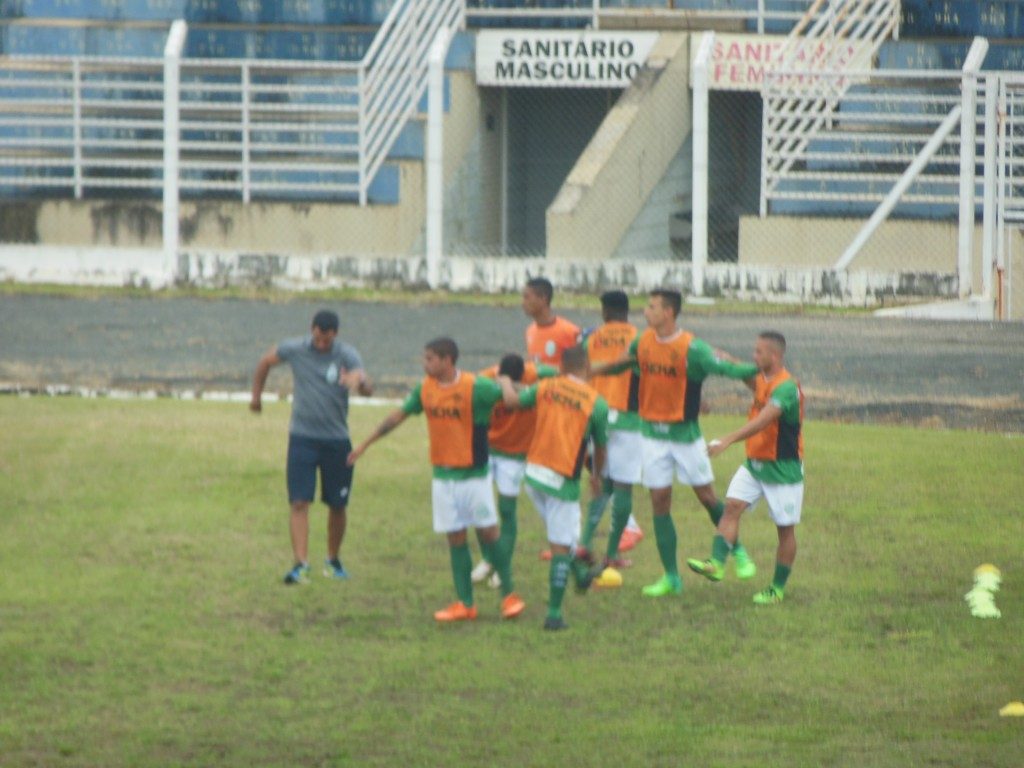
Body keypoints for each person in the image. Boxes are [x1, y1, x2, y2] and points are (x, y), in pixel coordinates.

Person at [592, 289, 759, 598]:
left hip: (685, 438)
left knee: (707, 497)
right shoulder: (642, 341)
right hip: (652, 438)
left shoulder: (691, 348)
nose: (646, 312)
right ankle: (671, 577)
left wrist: (763, 370)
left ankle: (738, 552)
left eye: (652, 307)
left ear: (669, 312)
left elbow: (726, 369)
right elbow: (623, 363)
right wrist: (589, 371)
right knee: (659, 502)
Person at [348, 337, 525, 623]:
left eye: (429, 358)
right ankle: (465, 603)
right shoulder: (425, 389)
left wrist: (508, 383)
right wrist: (364, 445)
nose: (424, 363)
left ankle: (510, 595)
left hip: (474, 478)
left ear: (447, 360)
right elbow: (397, 417)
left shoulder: (474, 387)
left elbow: (515, 396)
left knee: (489, 535)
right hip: (443, 478)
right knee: (455, 538)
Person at [250, 309, 373, 585]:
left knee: (337, 505)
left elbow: (366, 385)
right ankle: (301, 564)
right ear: (311, 330)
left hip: (337, 440)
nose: (320, 345)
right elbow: (265, 361)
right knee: (299, 502)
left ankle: (333, 560)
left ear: (335, 335)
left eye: (326, 341)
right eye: (317, 338)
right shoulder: (296, 348)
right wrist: (256, 397)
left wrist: (361, 383)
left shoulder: (347, 354)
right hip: (302, 438)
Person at [688, 331, 804, 605]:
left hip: (782, 471)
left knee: (785, 531)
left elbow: (764, 421)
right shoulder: (764, 379)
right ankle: (716, 563)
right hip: (755, 464)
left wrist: (727, 440)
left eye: (759, 352)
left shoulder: (787, 388)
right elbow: (749, 379)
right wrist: (728, 360)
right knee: (731, 507)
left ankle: (776, 589)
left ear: (774, 357)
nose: (754, 356)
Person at [497, 345, 609, 631]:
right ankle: (554, 615)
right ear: (587, 367)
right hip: (561, 479)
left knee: (563, 538)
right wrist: (596, 476)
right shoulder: (596, 403)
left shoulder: (546, 386)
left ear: (561, 367)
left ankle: (581, 576)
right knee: (561, 545)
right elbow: (601, 448)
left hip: (533, 473)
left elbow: (511, 402)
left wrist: (504, 378)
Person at [471, 354, 558, 587]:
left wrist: (518, 386)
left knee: (506, 510)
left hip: (516, 457)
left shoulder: (536, 373)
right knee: (480, 507)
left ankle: (503, 565)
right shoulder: (486, 378)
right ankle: (489, 558)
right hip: (489, 450)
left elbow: (562, 375)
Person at [579, 290, 646, 586]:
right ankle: (610, 554)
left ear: (605, 312)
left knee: (601, 486)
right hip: (628, 419)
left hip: (595, 415)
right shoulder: (639, 338)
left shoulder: (590, 339)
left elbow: (579, 372)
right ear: (627, 311)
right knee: (623, 488)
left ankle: (583, 544)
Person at [523, 277, 580, 367]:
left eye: (527, 297)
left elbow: (580, 368)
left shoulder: (569, 331)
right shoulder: (530, 330)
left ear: (543, 298)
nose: (523, 302)